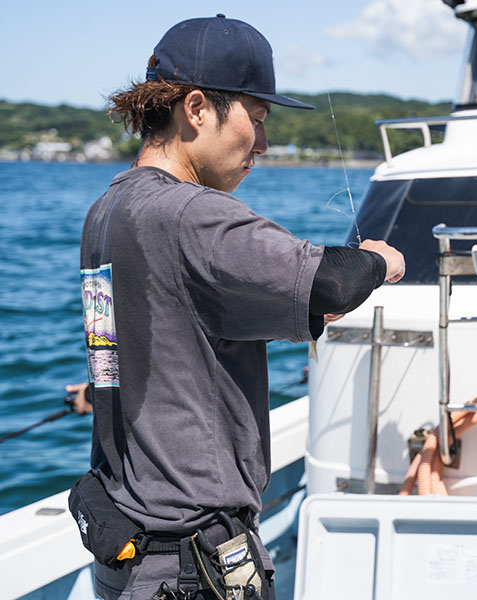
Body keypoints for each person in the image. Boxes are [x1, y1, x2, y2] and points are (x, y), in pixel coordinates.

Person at [69, 15, 404, 600]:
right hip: (191, 568)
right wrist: (379, 260)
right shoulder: (192, 214)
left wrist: (296, 311)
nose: (265, 145)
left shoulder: (106, 212)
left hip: (127, 560)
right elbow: (332, 283)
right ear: (196, 108)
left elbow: (176, 324)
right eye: (258, 118)